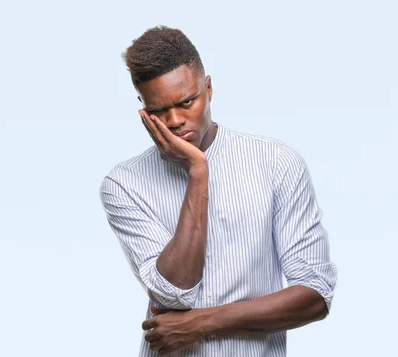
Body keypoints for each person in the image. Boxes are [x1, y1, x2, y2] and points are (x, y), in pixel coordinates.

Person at [98, 26, 337, 357]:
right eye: (158, 111)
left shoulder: (276, 163)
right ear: (142, 107)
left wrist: (203, 322)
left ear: (208, 87)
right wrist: (197, 172)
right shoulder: (124, 184)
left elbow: (315, 296)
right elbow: (174, 292)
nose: (175, 120)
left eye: (187, 102)